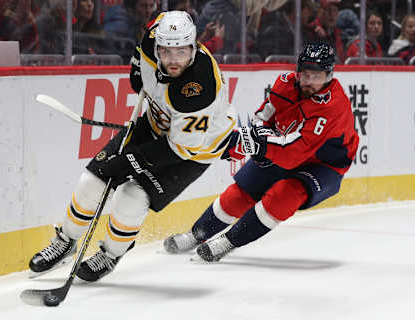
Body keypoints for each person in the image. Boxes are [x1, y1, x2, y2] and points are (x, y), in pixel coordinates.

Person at [29, 11, 236, 280]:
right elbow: (140, 58)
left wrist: (131, 161)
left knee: (131, 196)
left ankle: (111, 253)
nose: (173, 60)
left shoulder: (199, 89)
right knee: (92, 180)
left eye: (181, 52)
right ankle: (66, 242)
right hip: (155, 123)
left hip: (193, 152)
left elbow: (178, 147)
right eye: (166, 51)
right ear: (158, 45)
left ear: (193, 48)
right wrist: (138, 74)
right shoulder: (153, 36)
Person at [164, 42, 359, 262]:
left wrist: (259, 145)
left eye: (317, 76)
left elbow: (295, 151)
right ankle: (196, 235)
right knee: (242, 191)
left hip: (324, 165)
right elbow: (263, 116)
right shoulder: (285, 83)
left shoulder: (333, 106)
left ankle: (227, 242)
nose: (309, 82)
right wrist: (248, 138)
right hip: (281, 146)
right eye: (305, 74)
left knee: (286, 194)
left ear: (329, 75)